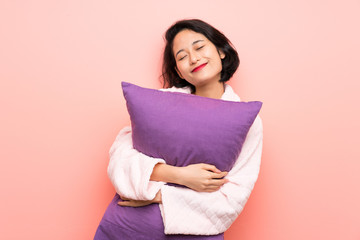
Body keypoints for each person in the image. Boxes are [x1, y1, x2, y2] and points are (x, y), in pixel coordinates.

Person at [94, 19, 263, 240]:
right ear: (179, 71)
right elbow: (121, 160)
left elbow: (231, 200)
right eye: (182, 57)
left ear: (221, 51)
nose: (193, 58)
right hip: (126, 230)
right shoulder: (158, 104)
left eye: (200, 47)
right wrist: (181, 176)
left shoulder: (246, 119)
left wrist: (158, 195)